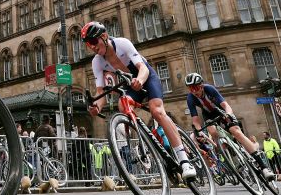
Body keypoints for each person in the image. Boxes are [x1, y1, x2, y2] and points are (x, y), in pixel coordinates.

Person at [84, 22, 197, 180]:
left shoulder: (122, 44)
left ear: (104, 37)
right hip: (130, 84)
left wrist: (140, 80)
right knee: (123, 104)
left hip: (146, 77)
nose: (92, 47)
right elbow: (100, 92)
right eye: (89, 44)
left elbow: (142, 68)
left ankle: (185, 162)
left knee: (156, 111)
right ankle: (146, 141)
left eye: (94, 42)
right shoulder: (97, 62)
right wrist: (96, 107)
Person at [184, 72, 274, 180]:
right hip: (208, 115)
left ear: (201, 85)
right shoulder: (190, 98)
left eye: (196, 87)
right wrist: (199, 131)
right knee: (212, 132)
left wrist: (229, 115)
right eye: (190, 88)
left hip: (220, 110)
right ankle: (230, 156)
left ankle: (264, 167)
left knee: (236, 131)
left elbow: (225, 105)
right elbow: (195, 119)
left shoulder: (209, 89)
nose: (194, 91)